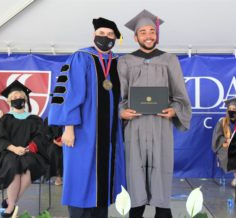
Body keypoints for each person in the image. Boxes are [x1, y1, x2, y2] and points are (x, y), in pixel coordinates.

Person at [48, 17, 126, 218]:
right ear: (94, 35)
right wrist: (68, 127)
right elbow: (70, 93)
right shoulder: (81, 57)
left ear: (116, 38)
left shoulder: (117, 62)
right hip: (83, 129)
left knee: (103, 180)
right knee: (81, 176)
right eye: (101, 33)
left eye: (110, 35)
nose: (105, 37)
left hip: (108, 133)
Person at [118, 9, 192, 218]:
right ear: (136, 36)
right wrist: (122, 112)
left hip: (161, 125)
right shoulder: (125, 62)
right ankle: (136, 210)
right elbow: (119, 96)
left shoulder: (169, 60)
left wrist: (174, 110)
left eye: (152, 31)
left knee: (161, 168)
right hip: (135, 126)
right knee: (135, 170)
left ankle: (162, 210)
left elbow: (180, 96)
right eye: (143, 32)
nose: (148, 35)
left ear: (156, 35)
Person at [0, 80, 48, 217]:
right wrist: (14, 149)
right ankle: (11, 206)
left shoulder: (34, 119)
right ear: (9, 102)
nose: (17, 99)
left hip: (30, 152)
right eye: (13, 98)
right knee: (13, 165)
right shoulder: (4, 120)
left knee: (27, 168)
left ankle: (10, 201)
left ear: (25, 99)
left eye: (20, 97)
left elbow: (40, 137)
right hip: (8, 152)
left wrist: (28, 148)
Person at [212, 97, 236, 188]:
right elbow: (217, 136)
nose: (232, 111)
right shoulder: (222, 121)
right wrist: (225, 140)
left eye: (234, 109)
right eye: (230, 109)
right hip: (226, 146)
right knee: (229, 151)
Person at [43, 117, 63, 186]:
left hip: (68, 141)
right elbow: (46, 133)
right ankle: (58, 176)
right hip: (53, 142)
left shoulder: (68, 116)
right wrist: (56, 142)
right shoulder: (48, 119)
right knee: (54, 150)